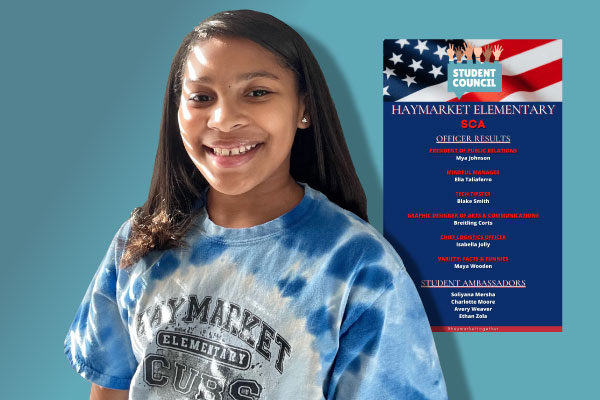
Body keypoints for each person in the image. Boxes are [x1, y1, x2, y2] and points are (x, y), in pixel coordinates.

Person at [64, 9, 448, 400]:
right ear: (177, 111)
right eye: (201, 97)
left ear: (304, 107)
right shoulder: (139, 241)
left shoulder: (359, 265)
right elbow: (110, 390)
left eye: (257, 92)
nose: (224, 119)